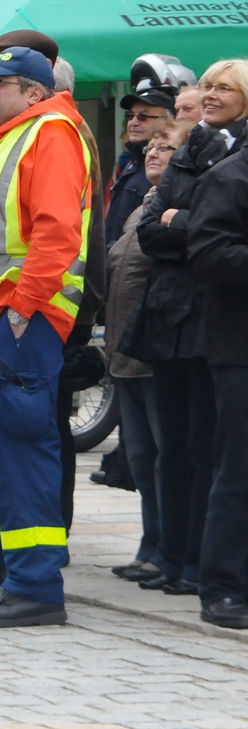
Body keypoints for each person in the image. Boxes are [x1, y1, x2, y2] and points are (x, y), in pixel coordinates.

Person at [0, 41, 92, 628]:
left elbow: (57, 232)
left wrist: (25, 306)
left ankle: (35, 585)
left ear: (34, 92)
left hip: (17, 320)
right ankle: (8, 569)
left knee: (20, 448)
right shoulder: (2, 138)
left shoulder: (50, 131)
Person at [131, 58, 248, 597]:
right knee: (175, 448)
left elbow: (192, 228)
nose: (215, 95)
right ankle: (178, 560)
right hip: (182, 318)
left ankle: (200, 564)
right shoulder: (206, 154)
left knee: (208, 450)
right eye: (210, 87)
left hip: (213, 320)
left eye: (228, 88)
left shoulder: (229, 156)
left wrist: (187, 220)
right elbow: (154, 230)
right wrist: (185, 224)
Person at [102, 121, 180, 587]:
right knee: (143, 456)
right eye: (151, 147)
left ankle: (168, 549)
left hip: (152, 353)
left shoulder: (171, 206)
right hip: (122, 353)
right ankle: (150, 544)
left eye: (166, 148)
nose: (153, 153)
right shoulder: (141, 208)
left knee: (164, 454)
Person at [183, 119, 248, 629]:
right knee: (238, 468)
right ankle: (223, 585)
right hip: (239, 348)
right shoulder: (230, 177)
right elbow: (207, 252)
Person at [106, 87, 175, 247]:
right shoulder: (132, 162)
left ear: (168, 120)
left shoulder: (165, 167)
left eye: (143, 117)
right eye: (130, 116)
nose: (133, 122)